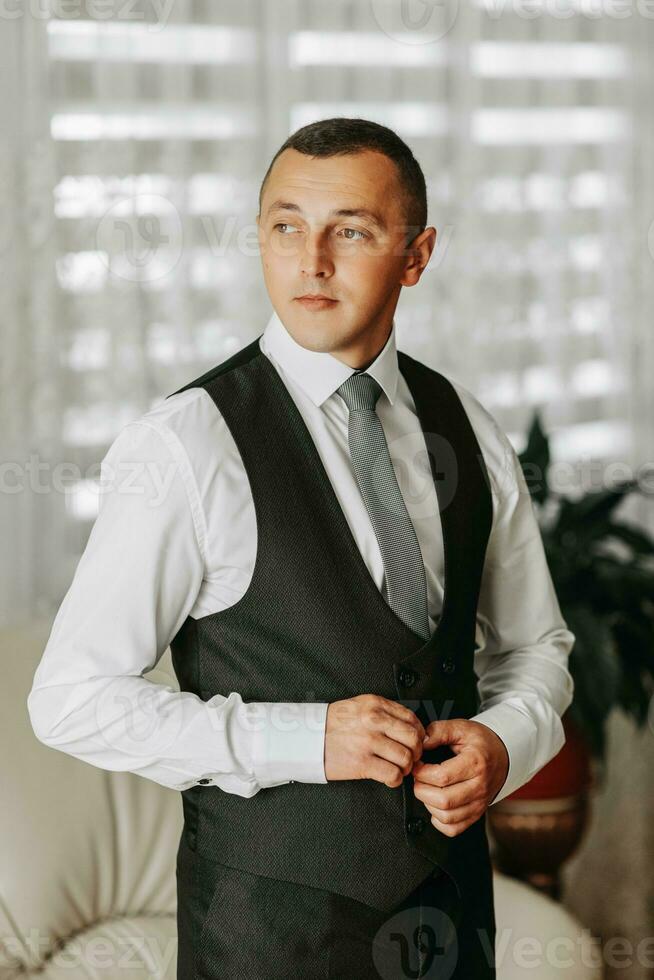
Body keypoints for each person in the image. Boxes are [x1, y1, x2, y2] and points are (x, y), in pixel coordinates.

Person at [28, 117, 575, 979]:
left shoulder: (467, 427)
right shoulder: (186, 445)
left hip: (452, 914)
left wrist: (506, 742)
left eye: (350, 231)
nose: (310, 262)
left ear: (417, 254)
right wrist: (304, 739)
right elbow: (69, 699)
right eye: (286, 227)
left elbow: (534, 649)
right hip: (267, 933)